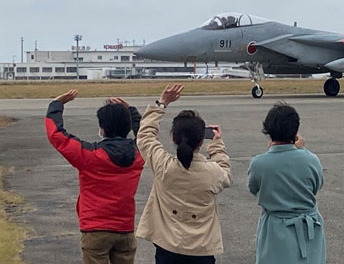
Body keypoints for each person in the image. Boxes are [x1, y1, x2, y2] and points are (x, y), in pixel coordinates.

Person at [45, 90, 145, 264]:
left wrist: (56, 105)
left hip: (96, 228)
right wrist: (133, 113)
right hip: (125, 228)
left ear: (102, 128)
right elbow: (146, 135)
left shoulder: (90, 155)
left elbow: (57, 136)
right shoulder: (138, 154)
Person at [136, 84, 231, 264]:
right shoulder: (212, 172)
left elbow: (145, 136)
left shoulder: (164, 166)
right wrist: (217, 145)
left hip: (167, 247)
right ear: (202, 141)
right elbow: (225, 173)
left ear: (173, 138)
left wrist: (161, 104)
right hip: (201, 249)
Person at [247, 102, 326, 264]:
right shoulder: (311, 160)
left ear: (268, 131)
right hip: (308, 226)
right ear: (295, 131)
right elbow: (316, 186)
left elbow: (253, 188)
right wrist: (302, 150)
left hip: (276, 228)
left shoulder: (259, 163)